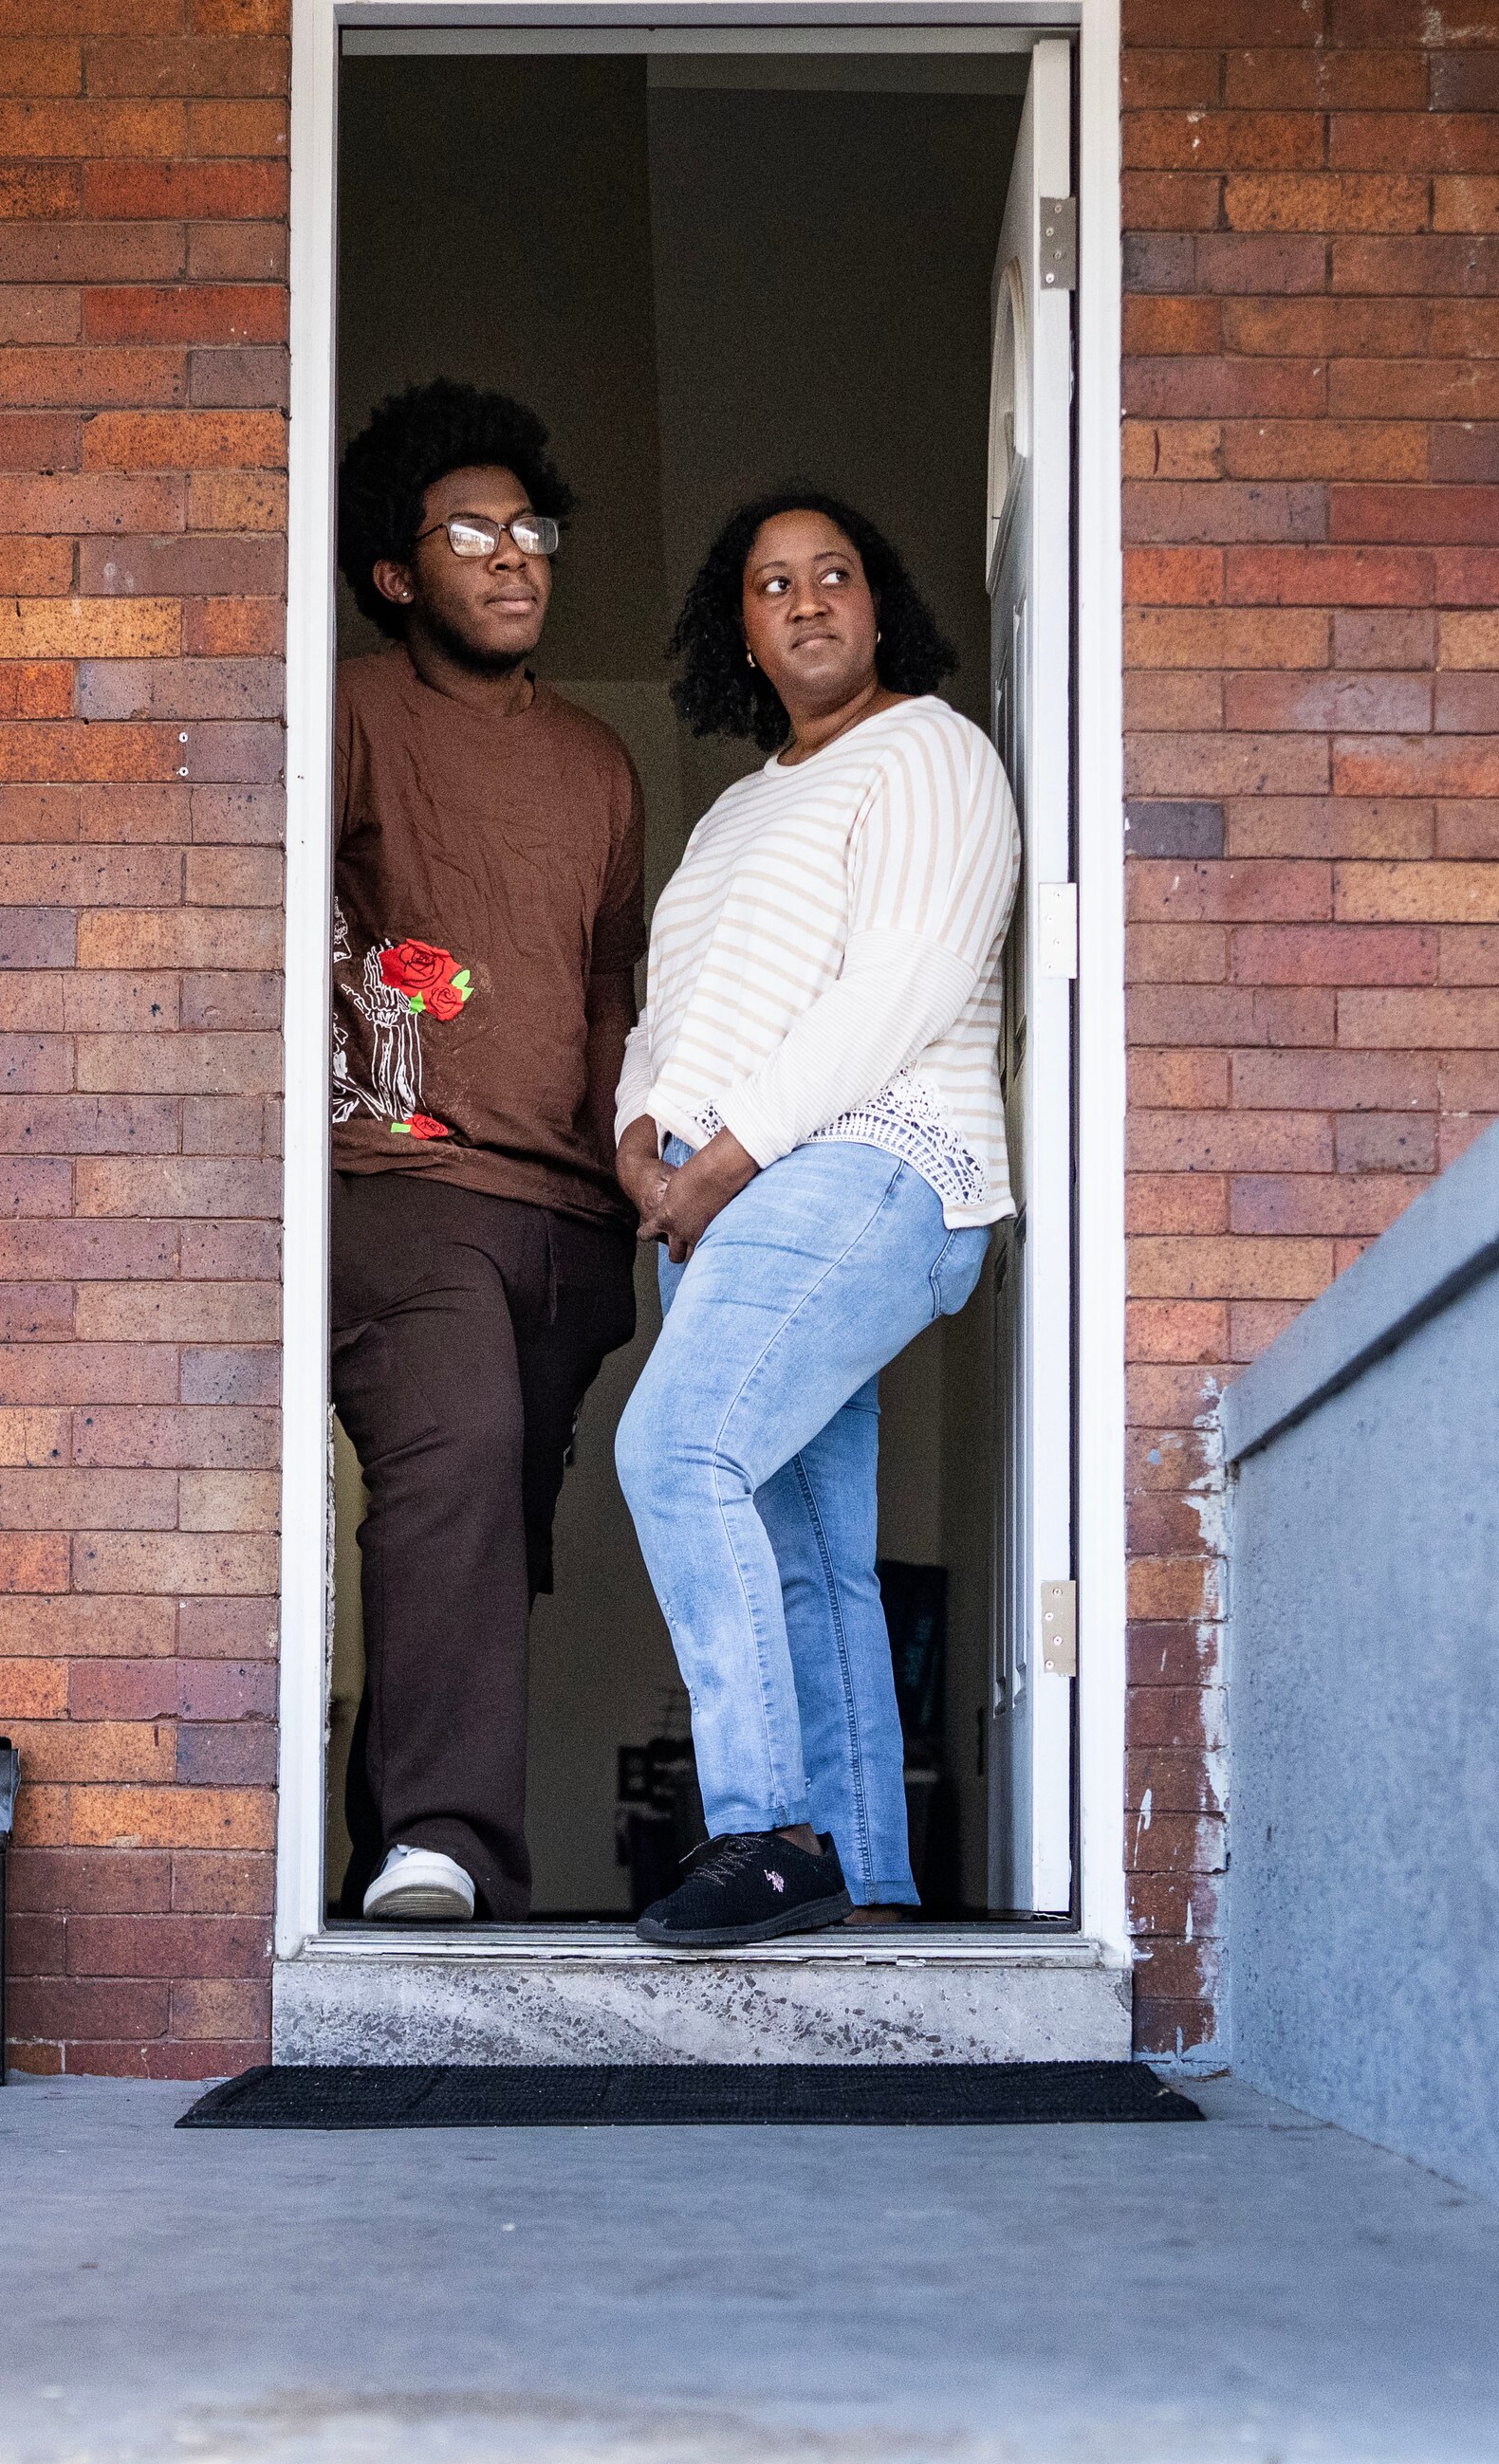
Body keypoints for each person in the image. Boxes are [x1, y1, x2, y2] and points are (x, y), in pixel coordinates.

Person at [610, 487, 1018, 1950]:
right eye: (772, 584)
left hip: (872, 1167)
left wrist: (719, 1162)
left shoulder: (934, 754)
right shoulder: (731, 814)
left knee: (675, 1445)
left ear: (877, 598)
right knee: (807, 1556)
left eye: (834, 572)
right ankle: (870, 1882)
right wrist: (638, 1147)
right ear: (743, 630)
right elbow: (671, 1019)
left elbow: (896, 992)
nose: (806, 601)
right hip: (725, 1204)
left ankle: (765, 1831)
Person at [325, 382, 650, 1923]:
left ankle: (378, 1846)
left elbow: (611, 982)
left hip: (568, 1221)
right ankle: (448, 1842)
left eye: (532, 531)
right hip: (404, 1181)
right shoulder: (351, 711)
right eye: (473, 533)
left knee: (485, 1529)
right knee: (453, 1453)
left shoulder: (597, 765)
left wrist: (626, 1176)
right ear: (400, 573)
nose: (516, 557)